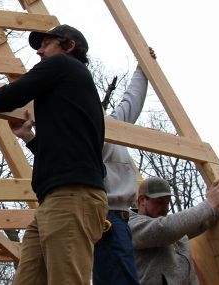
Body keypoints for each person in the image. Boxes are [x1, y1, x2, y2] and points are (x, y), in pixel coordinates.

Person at [0, 24, 108, 285]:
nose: (40, 51)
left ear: (68, 46)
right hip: (55, 200)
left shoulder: (63, 65)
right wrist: (29, 137)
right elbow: (62, 147)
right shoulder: (69, 88)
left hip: (71, 198)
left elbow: (2, 101)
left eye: (46, 44)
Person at [94, 47, 156, 285]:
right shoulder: (88, 130)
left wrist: (143, 68)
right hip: (107, 217)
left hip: (120, 218)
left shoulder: (111, 125)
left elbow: (133, 100)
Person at [129, 176, 219, 285]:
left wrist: (218, 205)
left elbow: (200, 223)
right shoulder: (130, 225)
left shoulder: (175, 229)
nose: (165, 208)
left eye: (167, 203)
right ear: (142, 200)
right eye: (160, 202)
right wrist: (209, 204)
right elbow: (165, 229)